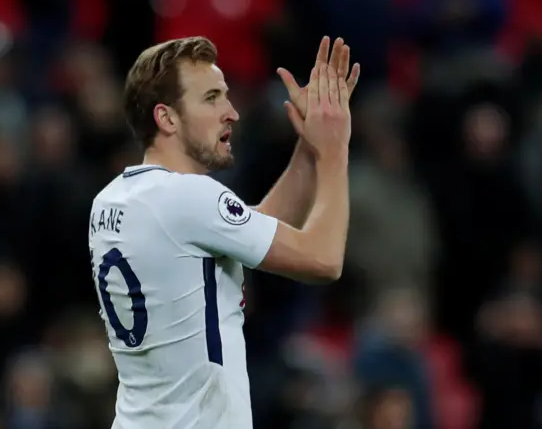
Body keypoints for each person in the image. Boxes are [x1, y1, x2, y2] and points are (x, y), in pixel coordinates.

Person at [88, 35, 360, 429]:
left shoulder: (113, 200)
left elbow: (248, 231)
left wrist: (309, 147)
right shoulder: (190, 198)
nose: (231, 112)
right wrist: (335, 153)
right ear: (167, 118)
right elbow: (323, 259)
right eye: (211, 98)